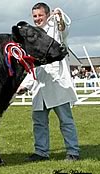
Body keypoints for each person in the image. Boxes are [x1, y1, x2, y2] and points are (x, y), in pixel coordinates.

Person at [17, 2, 80, 161]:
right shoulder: (33, 35)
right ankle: (41, 152)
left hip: (58, 85)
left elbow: (64, 29)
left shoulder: (56, 30)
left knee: (66, 121)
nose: (37, 19)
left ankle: (73, 152)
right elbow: (34, 64)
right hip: (40, 86)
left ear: (47, 14)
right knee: (39, 122)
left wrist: (59, 15)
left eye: (40, 15)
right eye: (35, 16)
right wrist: (25, 84)